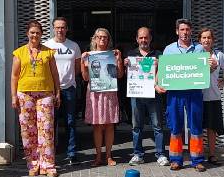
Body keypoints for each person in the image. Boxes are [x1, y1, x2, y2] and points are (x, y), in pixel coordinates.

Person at [162, 19, 214, 172]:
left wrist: (212, 67)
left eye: (187, 29)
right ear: (177, 31)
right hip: (175, 93)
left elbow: (207, 71)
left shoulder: (200, 49)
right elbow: (163, 71)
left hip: (194, 92)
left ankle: (197, 160)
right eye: (182, 29)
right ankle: (176, 160)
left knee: (196, 125)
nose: (185, 32)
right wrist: (158, 84)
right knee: (175, 125)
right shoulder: (169, 49)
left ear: (191, 31)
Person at [11, 21, 60, 177]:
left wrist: (57, 92)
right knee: (28, 130)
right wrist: (13, 96)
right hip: (25, 93)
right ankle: (33, 164)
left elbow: (55, 74)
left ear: (41, 34)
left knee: (46, 129)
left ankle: (48, 165)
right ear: (27, 33)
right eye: (32, 32)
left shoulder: (48, 52)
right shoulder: (19, 53)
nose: (35, 35)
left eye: (37, 33)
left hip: (45, 93)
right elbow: (14, 75)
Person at [123, 27, 166, 167]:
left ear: (150, 38)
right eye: (141, 38)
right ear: (137, 39)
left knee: (158, 126)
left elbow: (163, 74)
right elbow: (125, 75)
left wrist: (159, 66)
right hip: (137, 95)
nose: (143, 40)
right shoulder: (131, 55)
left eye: (146, 37)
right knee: (136, 126)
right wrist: (125, 65)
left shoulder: (158, 54)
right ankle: (138, 154)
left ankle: (160, 154)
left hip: (154, 95)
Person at [80, 28, 122, 167]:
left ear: (108, 40)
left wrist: (119, 60)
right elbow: (85, 78)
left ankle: (109, 156)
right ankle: (98, 156)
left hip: (109, 92)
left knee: (109, 125)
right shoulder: (89, 56)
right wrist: (82, 62)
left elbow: (120, 75)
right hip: (95, 94)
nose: (102, 39)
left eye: (105, 37)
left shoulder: (113, 54)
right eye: (99, 37)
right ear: (95, 39)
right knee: (97, 126)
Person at [43, 17, 81, 165]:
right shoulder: (46, 46)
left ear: (67, 29)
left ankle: (71, 153)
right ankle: (50, 154)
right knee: (50, 123)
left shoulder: (74, 46)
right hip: (50, 90)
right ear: (53, 28)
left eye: (63, 27)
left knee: (70, 122)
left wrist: (69, 80)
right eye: (57, 27)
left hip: (69, 89)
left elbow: (77, 68)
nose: (60, 30)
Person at [200, 28, 224, 165]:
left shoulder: (218, 55)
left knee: (212, 128)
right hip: (197, 96)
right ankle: (198, 154)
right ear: (199, 40)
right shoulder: (195, 54)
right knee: (197, 127)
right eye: (203, 38)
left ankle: (212, 154)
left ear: (212, 40)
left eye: (209, 38)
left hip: (213, 96)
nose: (206, 40)